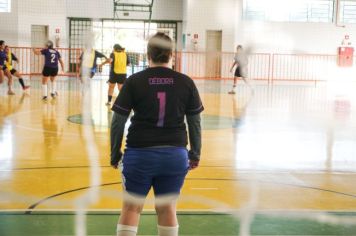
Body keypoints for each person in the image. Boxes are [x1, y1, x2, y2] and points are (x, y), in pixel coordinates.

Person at [110, 32, 203, 236]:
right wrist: (195, 153)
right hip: (175, 155)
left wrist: (114, 153)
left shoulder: (134, 81)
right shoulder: (185, 82)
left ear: (148, 53)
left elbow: (118, 122)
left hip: (139, 154)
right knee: (167, 208)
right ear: (172, 54)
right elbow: (195, 123)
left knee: (131, 208)